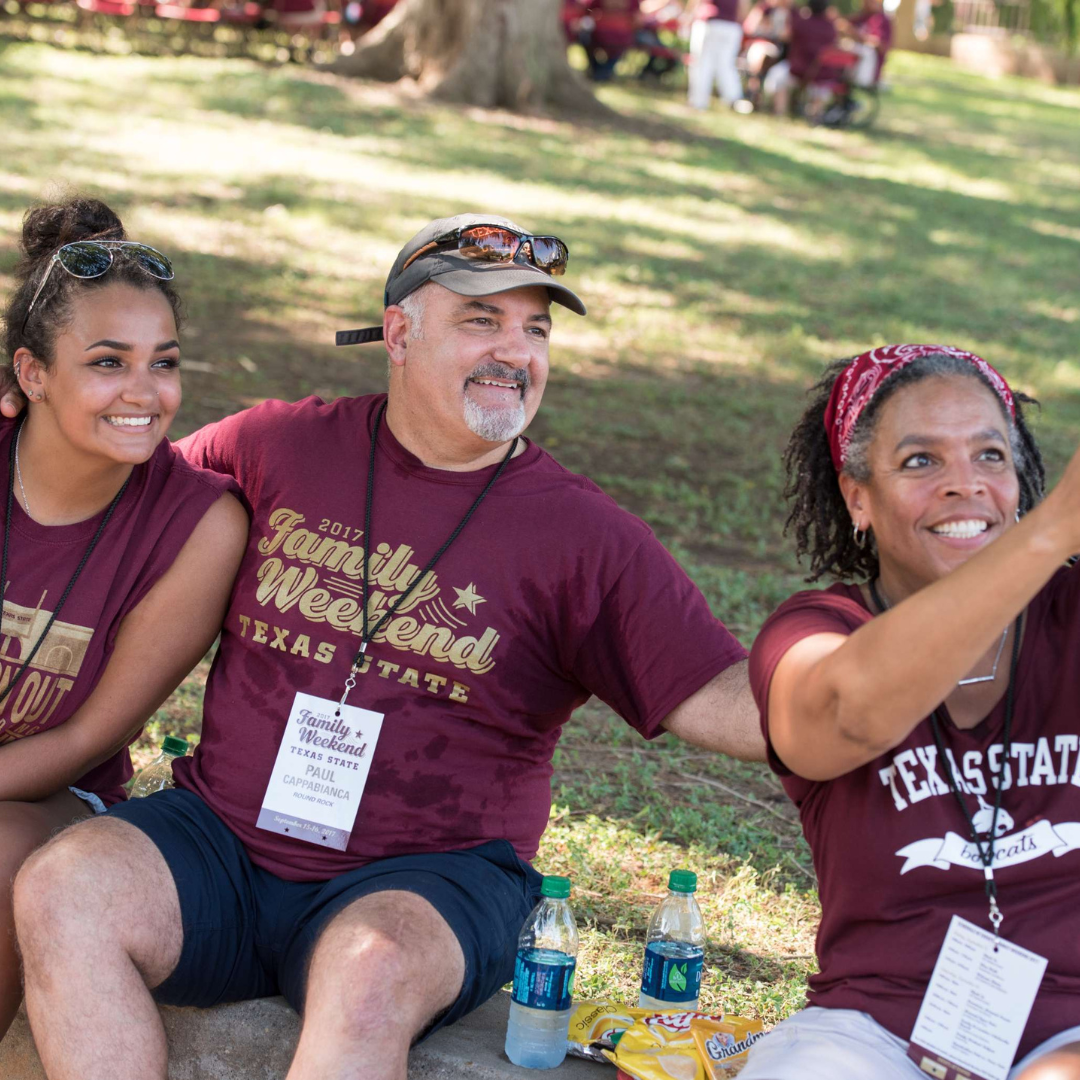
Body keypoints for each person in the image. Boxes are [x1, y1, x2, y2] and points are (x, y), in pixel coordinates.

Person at [12, 212, 764, 1080]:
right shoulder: (275, 446)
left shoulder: (585, 536)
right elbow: (117, 471)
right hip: (221, 839)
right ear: (399, 333)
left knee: (369, 970)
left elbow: (725, 698)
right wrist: (26, 404)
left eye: (536, 329)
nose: (514, 352)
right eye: (481, 322)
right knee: (63, 886)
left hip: (430, 880)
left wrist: (878, 674)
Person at [738, 343, 1080, 1080]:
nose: (966, 486)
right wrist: (1049, 534)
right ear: (857, 496)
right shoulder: (814, 634)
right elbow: (847, 719)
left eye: (991, 456)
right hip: (874, 1031)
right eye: (921, 462)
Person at [0, 197, 247, 1043]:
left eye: (163, 362)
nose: (144, 393)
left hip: (48, 797)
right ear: (32, 375)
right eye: (109, 362)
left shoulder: (200, 526)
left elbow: (85, 739)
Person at [762, 0, 837, 116]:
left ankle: (780, 111)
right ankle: (815, 115)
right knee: (821, 85)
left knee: (776, 76)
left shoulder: (802, 23)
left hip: (799, 70)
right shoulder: (831, 27)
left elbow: (785, 36)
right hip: (822, 73)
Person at [684, 0, 751, 111]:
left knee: (701, 64)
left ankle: (698, 101)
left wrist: (688, 16)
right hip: (731, 26)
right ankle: (733, 99)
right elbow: (743, 7)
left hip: (710, 23)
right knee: (726, 65)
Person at [837, 0, 892, 86]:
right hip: (850, 63)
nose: (866, 3)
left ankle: (860, 83)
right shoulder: (861, 16)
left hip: (871, 68)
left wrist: (858, 36)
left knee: (867, 51)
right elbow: (843, 25)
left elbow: (881, 46)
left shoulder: (882, 19)